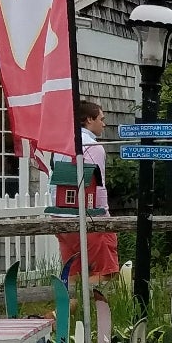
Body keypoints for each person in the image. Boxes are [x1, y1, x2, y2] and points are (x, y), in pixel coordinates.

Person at [55, 99, 121, 281]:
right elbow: (97, 185)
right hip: (90, 216)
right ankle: (92, 307)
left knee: (73, 272)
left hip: (62, 216)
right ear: (89, 120)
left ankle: (62, 310)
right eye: (101, 118)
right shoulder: (93, 147)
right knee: (105, 272)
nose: (104, 123)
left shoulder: (61, 144)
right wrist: (104, 217)